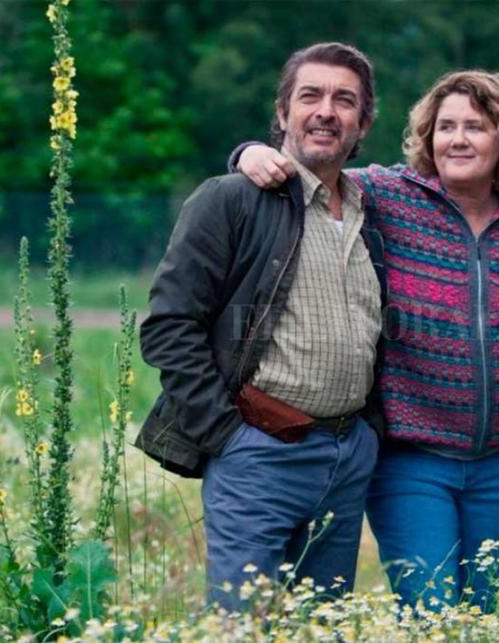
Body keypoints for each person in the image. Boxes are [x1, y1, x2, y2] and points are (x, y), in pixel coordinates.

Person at [233, 70, 499, 612]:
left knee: (480, 612)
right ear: (428, 137)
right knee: (430, 611)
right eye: (445, 127)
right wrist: (247, 153)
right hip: (411, 456)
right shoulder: (388, 195)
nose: (458, 139)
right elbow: (313, 171)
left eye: (475, 127)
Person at [136, 42, 387, 611]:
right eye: (310, 96)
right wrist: (228, 437)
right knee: (240, 623)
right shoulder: (232, 199)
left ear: (364, 123)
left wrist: (367, 437)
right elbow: (170, 326)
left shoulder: (373, 212)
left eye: (344, 100)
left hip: (347, 456)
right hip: (258, 451)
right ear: (282, 112)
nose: (326, 111)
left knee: (321, 627)